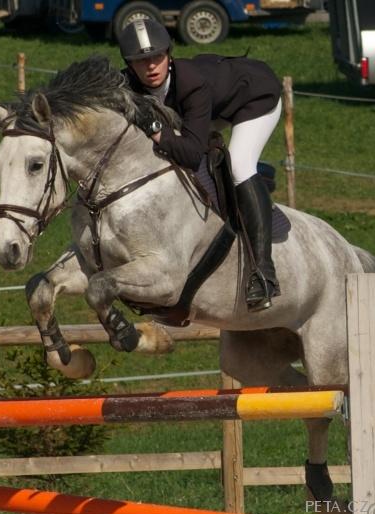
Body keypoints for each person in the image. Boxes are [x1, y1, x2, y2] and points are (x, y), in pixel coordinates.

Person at [118, 19, 282, 312]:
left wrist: (155, 129)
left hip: (254, 96)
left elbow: (192, 154)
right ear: (129, 65)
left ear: (169, 54)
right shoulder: (126, 84)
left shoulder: (191, 83)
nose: (151, 66)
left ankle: (263, 275)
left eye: (157, 57)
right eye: (141, 61)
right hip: (213, 104)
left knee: (239, 165)